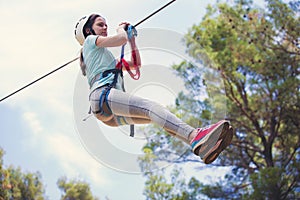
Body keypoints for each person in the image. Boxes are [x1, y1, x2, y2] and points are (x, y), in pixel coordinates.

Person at [74, 14, 233, 164]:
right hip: (102, 96)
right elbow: (120, 39)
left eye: (106, 25)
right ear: (88, 31)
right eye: (100, 25)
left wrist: (132, 40)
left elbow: (135, 64)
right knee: (152, 108)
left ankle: (199, 144)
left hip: (108, 114)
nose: (104, 28)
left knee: (157, 116)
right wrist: (121, 30)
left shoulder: (108, 60)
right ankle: (195, 136)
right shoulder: (89, 42)